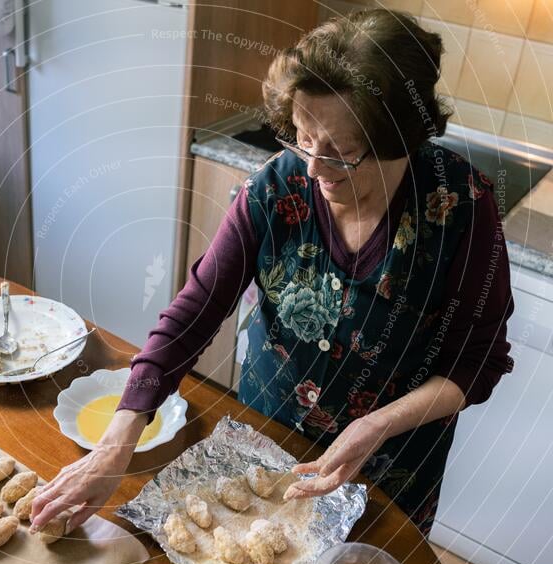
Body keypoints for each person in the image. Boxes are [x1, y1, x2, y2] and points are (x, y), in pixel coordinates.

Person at [30, 9, 514, 537]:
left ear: (401, 140)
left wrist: (376, 425)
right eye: (303, 139)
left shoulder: (461, 207)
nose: (313, 169)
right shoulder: (276, 187)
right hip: (266, 437)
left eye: (341, 153)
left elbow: (478, 362)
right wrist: (120, 438)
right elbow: (196, 309)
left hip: (391, 469)